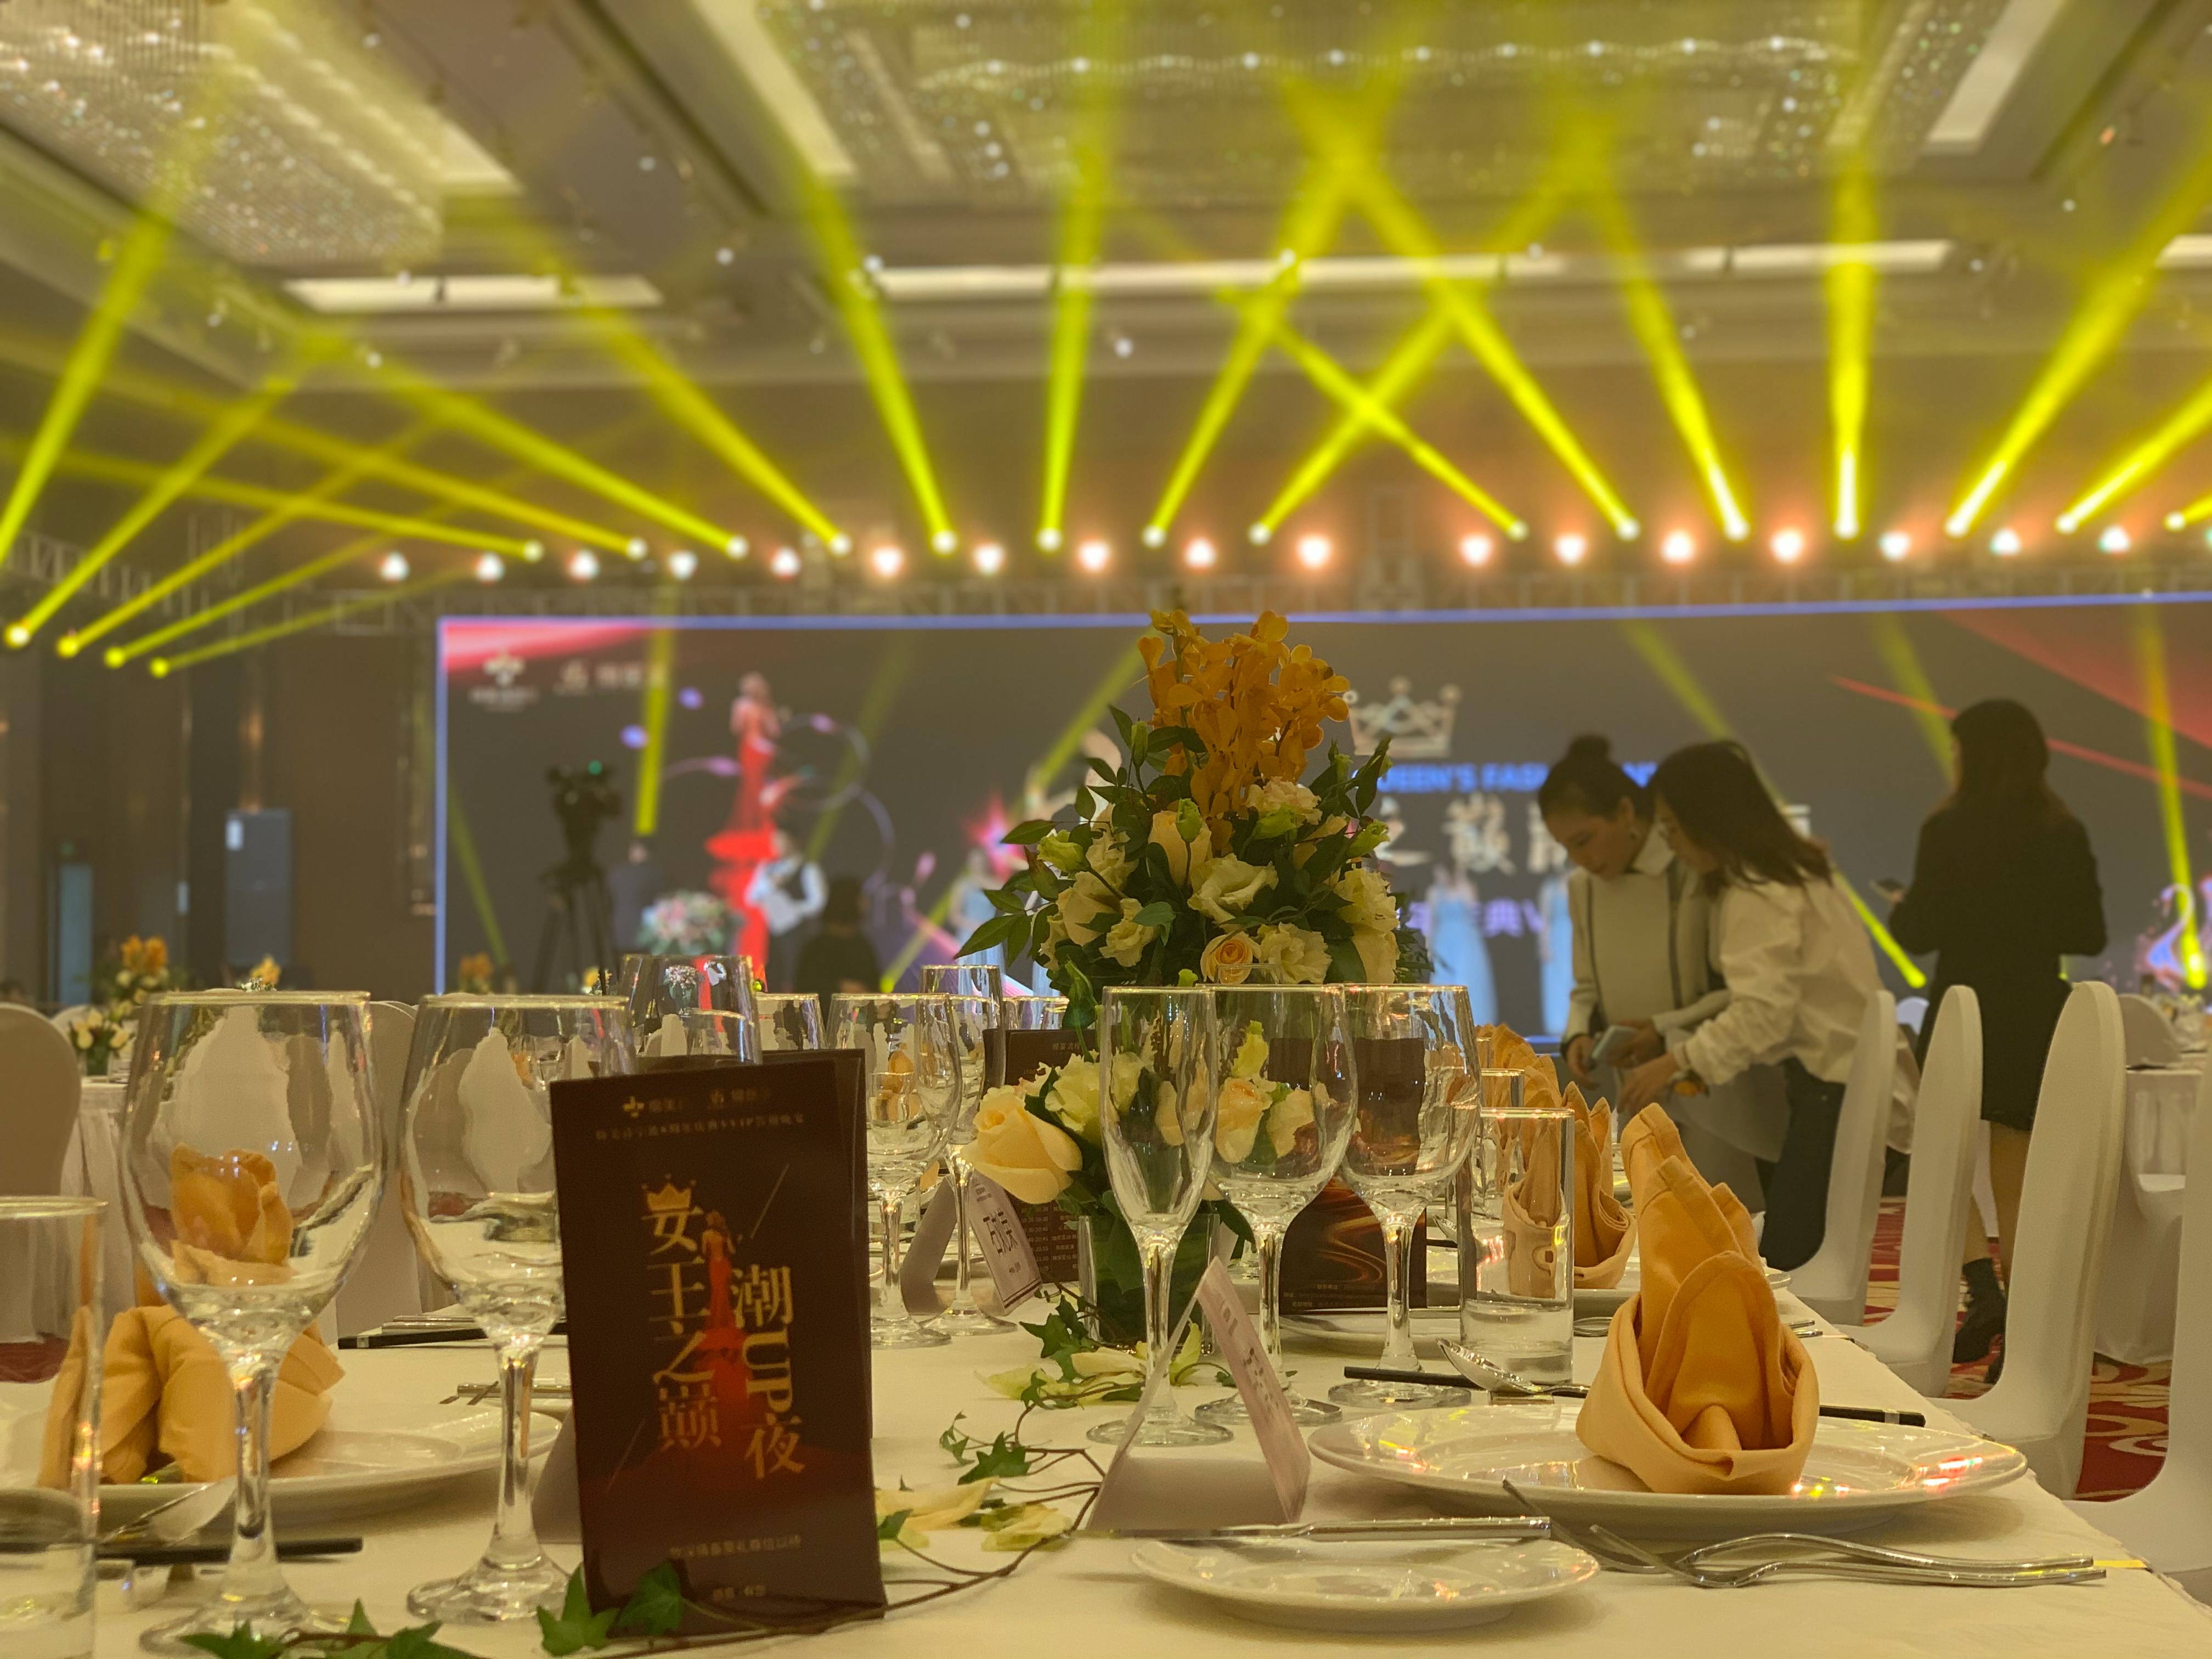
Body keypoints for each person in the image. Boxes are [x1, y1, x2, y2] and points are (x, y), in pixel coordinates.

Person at [1887, 699, 2104, 1377]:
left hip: (1964, 1009)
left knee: (1942, 1161)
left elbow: (1917, 932)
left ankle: (1983, 1293)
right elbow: (2089, 934)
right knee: (2017, 1178)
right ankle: (2022, 1328)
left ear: (1971, 756)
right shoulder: (2062, 831)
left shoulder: (1947, 830)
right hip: (2033, 1011)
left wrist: (1908, 908)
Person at [1620, 740, 1881, 1271]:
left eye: (1673, 828)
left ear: (1709, 819)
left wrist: (1674, 1061)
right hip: (1847, 1079)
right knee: (1795, 1247)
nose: (1672, 844)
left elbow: (1762, 1015)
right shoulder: (1795, 873)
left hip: (1832, 1088)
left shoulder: (1757, 891)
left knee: (1788, 1260)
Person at [1539, 736, 1728, 1090]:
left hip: (1709, 1070)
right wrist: (1578, 1034)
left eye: (1584, 841)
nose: (1580, 859)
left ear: (1625, 812)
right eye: (1566, 848)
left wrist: (1662, 1030)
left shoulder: (1692, 866)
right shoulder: (1582, 886)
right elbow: (1587, 987)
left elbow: (1733, 990)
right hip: (1631, 1078)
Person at [794, 876, 881, 1013]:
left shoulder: (863, 946)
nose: (866, 904)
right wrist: (839, 989)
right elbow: (805, 990)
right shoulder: (817, 948)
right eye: (861, 899)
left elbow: (875, 988)